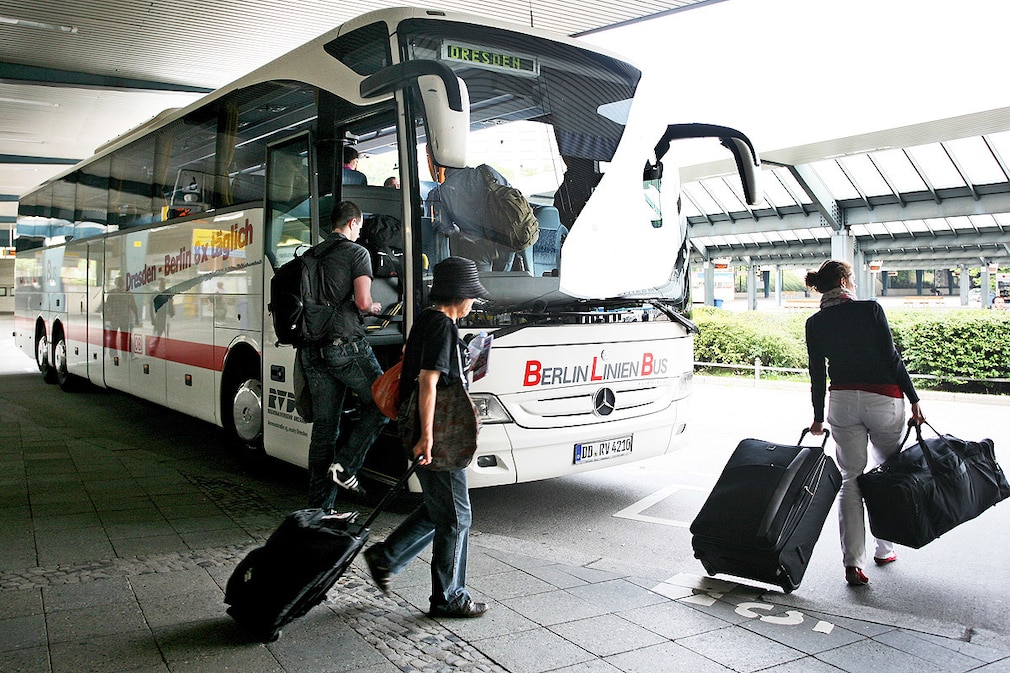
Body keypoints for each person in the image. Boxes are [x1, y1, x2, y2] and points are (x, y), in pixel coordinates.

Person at [363, 256, 489, 619]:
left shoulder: (427, 321)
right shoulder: (442, 327)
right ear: (460, 295)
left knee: (438, 509)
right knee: (457, 518)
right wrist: (427, 438)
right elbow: (429, 383)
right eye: (471, 296)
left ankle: (386, 557)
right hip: (439, 436)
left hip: (426, 430)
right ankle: (449, 597)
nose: (473, 303)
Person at [804, 259, 925, 587]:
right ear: (844, 281)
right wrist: (914, 399)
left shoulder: (815, 322)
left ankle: (853, 564)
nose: (855, 283)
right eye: (853, 278)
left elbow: (817, 373)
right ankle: (884, 549)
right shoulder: (870, 309)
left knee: (850, 479)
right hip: (883, 400)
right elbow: (891, 357)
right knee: (887, 472)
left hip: (842, 402)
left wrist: (817, 417)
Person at [299, 200, 387, 508]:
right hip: (346, 346)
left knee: (325, 430)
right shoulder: (357, 253)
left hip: (312, 349)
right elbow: (362, 302)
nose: (360, 232)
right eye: (359, 227)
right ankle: (346, 466)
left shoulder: (311, 255)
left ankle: (319, 509)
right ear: (352, 223)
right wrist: (374, 307)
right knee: (384, 402)